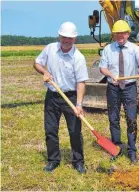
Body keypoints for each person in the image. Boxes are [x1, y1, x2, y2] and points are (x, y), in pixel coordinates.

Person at [33, 21, 88, 174]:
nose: (66, 40)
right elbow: (36, 63)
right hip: (52, 96)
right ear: (59, 36)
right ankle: (53, 160)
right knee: (50, 130)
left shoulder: (78, 57)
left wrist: (78, 104)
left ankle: (78, 161)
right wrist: (44, 71)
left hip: (70, 97)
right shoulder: (50, 49)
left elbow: (81, 82)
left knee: (75, 131)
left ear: (75, 39)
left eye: (70, 38)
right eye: (64, 37)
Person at [99, 20, 139, 164]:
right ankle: (116, 147)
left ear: (128, 34)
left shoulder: (135, 48)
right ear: (114, 35)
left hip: (129, 87)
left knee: (131, 118)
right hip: (113, 88)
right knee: (113, 118)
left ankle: (132, 150)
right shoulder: (108, 49)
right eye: (117, 33)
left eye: (123, 33)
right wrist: (110, 75)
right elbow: (102, 68)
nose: (120, 36)